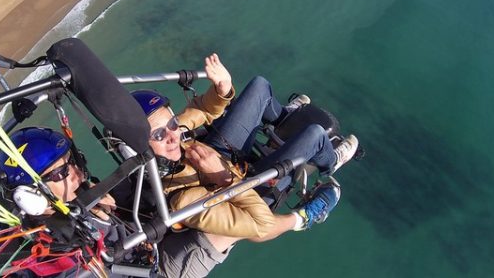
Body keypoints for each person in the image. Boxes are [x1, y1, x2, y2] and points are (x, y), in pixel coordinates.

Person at [131, 54, 359, 278]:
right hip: (243, 193)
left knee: (260, 86)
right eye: (159, 135)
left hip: (219, 158)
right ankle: (331, 162)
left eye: (171, 123)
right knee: (315, 135)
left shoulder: (174, 136)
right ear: (143, 148)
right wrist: (224, 177)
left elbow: (200, 111)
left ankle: (280, 116)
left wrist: (222, 90)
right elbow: (261, 224)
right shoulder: (182, 201)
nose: (173, 135)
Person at [0, 127, 119, 276]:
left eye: (73, 160)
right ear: (30, 196)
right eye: (60, 173)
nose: (77, 173)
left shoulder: (83, 201)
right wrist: (108, 227)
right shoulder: (55, 257)